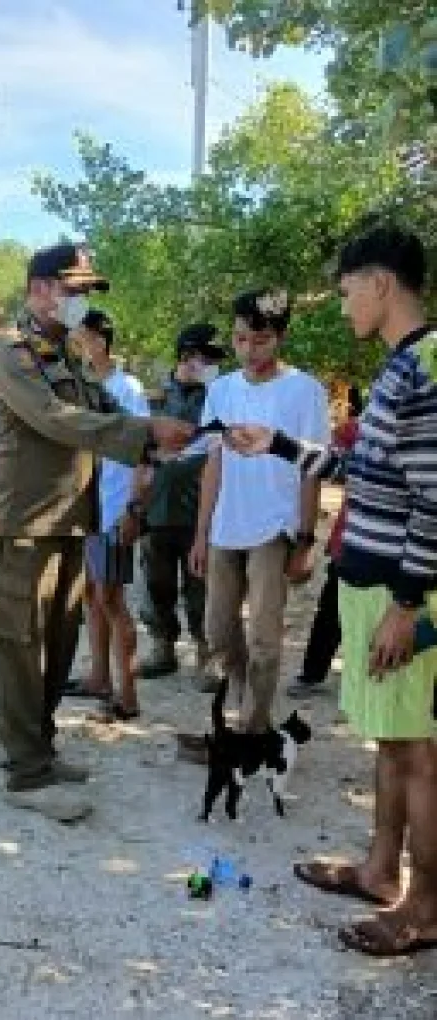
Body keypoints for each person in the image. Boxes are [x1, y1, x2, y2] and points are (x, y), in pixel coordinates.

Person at [226, 225, 437, 958]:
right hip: (373, 586)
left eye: (347, 292)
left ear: (380, 283)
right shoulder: (399, 368)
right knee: (393, 741)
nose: (344, 307)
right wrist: (278, 445)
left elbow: (435, 497)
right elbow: (367, 473)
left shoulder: (426, 368)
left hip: (404, 596)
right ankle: (380, 869)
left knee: (419, 753)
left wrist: (407, 605)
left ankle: (426, 907)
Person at [0, 242, 194, 823]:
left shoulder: (66, 352)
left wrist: (159, 432)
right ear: (40, 288)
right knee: (20, 650)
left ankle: (41, 749)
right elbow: (59, 421)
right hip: (23, 528)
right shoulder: (8, 352)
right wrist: (145, 435)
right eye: (74, 289)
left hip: (69, 522)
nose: (82, 301)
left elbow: (103, 407)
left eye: (85, 291)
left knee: (57, 646)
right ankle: (25, 773)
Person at [188, 289, 330, 731]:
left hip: (275, 526)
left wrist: (305, 541)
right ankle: (245, 699)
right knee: (217, 630)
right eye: (240, 339)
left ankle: (252, 727)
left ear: (281, 336)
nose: (249, 350)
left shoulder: (306, 391)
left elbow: (312, 470)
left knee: (265, 636)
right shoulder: (221, 390)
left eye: (261, 340)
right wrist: (201, 533)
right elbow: (213, 463)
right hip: (225, 525)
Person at [61, 311, 149, 719]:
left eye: (80, 337)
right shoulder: (82, 386)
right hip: (88, 507)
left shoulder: (126, 389)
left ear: (99, 340)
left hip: (114, 507)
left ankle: (128, 694)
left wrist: (133, 507)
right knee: (92, 595)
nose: (75, 344)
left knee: (111, 598)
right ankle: (99, 677)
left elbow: (144, 452)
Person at [138, 323, 226, 681]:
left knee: (201, 587)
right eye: (205, 357)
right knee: (156, 584)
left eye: (214, 359)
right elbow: (140, 450)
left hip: (202, 511)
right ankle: (162, 646)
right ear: (186, 357)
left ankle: (207, 653)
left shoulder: (221, 397)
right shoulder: (155, 398)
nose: (210, 365)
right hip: (157, 508)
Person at [287, 385, 364, 698]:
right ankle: (312, 674)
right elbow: (331, 452)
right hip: (351, 538)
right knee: (332, 609)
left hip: (401, 547)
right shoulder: (361, 428)